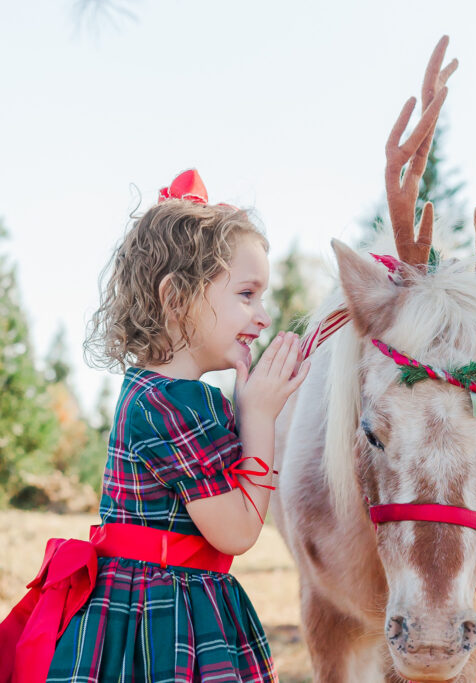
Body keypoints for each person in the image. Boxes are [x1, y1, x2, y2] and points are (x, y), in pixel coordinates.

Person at [0, 169, 309, 682]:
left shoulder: (145, 391)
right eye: (247, 294)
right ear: (176, 298)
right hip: (165, 615)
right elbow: (236, 531)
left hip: (132, 604)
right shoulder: (180, 405)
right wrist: (258, 415)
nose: (263, 314)